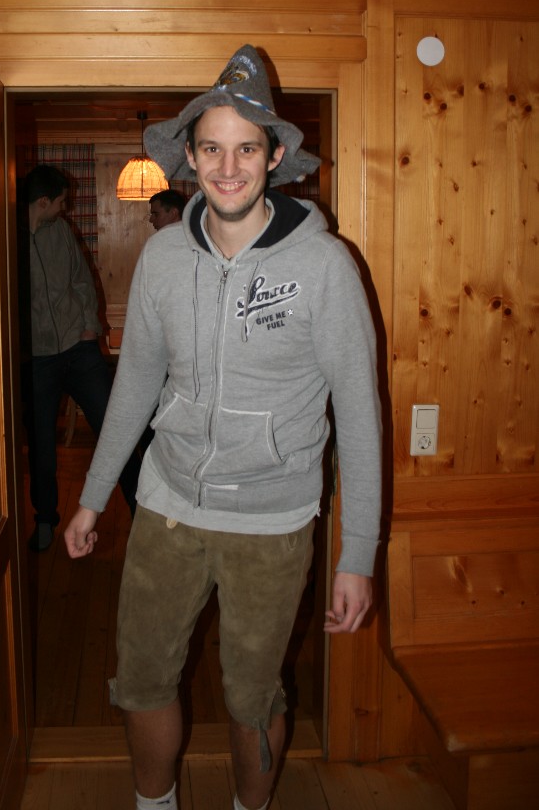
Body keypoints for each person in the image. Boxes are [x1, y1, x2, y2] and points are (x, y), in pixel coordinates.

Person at [64, 45, 382, 810]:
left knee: (250, 696)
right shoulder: (162, 258)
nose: (228, 167)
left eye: (245, 149)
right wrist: (92, 496)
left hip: (272, 523)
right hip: (166, 507)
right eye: (211, 148)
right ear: (189, 156)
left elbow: (359, 410)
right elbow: (135, 383)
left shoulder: (326, 267)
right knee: (141, 680)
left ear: (274, 157)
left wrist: (357, 554)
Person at [20, 164, 141, 552]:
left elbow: (82, 280)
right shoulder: (5, 236)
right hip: (37, 359)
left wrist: (89, 326)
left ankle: (142, 516)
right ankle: (45, 520)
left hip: (80, 349)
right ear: (43, 201)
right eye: (61, 201)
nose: (65, 207)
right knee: (41, 446)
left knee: (116, 431)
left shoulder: (61, 231)